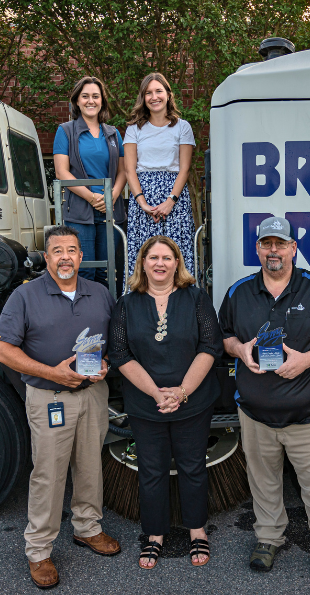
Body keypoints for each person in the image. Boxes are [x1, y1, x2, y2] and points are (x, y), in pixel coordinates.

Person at [219, 216, 310, 593]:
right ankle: (268, 538)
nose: (273, 251)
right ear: (258, 249)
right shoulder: (239, 291)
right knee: (262, 484)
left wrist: (305, 360)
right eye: (266, 244)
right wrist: (239, 348)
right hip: (255, 414)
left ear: (294, 248)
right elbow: (224, 337)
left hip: (308, 415)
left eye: (281, 244)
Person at [0, 225, 121, 589]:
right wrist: (53, 373)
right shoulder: (25, 296)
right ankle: (38, 550)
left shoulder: (99, 294)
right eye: (58, 251)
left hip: (93, 393)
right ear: (46, 258)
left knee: (91, 465)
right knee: (48, 473)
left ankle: (87, 528)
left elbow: (113, 342)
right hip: (50, 396)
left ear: (81, 256)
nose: (66, 257)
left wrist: (107, 361)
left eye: (72, 250)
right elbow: (3, 350)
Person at [107, 235, 223, 570]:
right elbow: (119, 354)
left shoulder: (197, 299)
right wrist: (158, 394)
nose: (160, 263)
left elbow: (210, 347)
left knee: (192, 467)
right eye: (153, 257)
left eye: (167, 258)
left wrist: (183, 391)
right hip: (147, 404)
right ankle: (154, 534)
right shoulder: (127, 304)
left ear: (177, 263)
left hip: (194, 400)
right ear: (142, 263)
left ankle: (197, 531)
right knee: (152, 471)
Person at [53, 76, 127, 290]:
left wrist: (111, 195)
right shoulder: (65, 131)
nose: (90, 101)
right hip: (79, 212)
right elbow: (61, 171)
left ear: (102, 101)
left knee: (108, 271)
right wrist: (92, 197)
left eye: (95, 96)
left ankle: (107, 320)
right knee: (84, 270)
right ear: (77, 101)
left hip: (110, 210)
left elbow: (123, 171)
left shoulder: (114, 134)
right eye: (85, 96)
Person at [122, 72, 197, 278]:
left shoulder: (182, 127)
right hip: (143, 196)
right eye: (148, 93)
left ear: (168, 95)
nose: (154, 97)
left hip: (174, 197)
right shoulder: (134, 129)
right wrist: (142, 203)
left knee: (176, 251)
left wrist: (171, 201)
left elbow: (184, 169)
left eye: (158, 91)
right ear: (143, 98)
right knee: (145, 254)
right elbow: (129, 170)